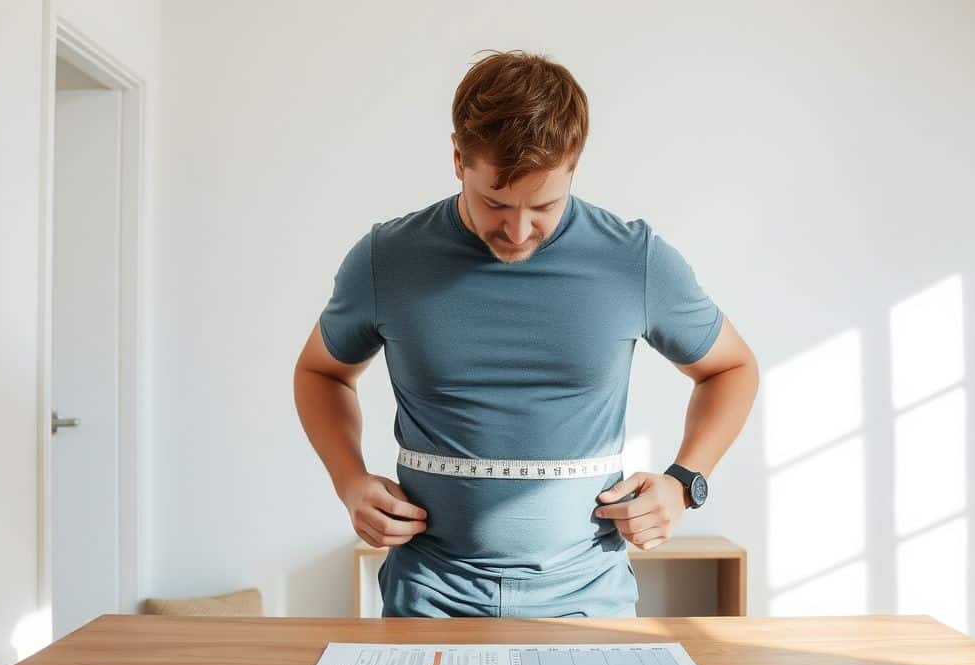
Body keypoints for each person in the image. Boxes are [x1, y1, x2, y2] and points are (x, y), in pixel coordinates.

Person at [293, 49, 758, 618]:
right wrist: (349, 481)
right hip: (429, 595)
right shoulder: (387, 259)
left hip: (588, 597)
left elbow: (731, 367)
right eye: (494, 202)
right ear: (458, 157)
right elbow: (321, 372)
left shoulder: (632, 260)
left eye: (544, 205)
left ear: (574, 168)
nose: (516, 231)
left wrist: (685, 482)